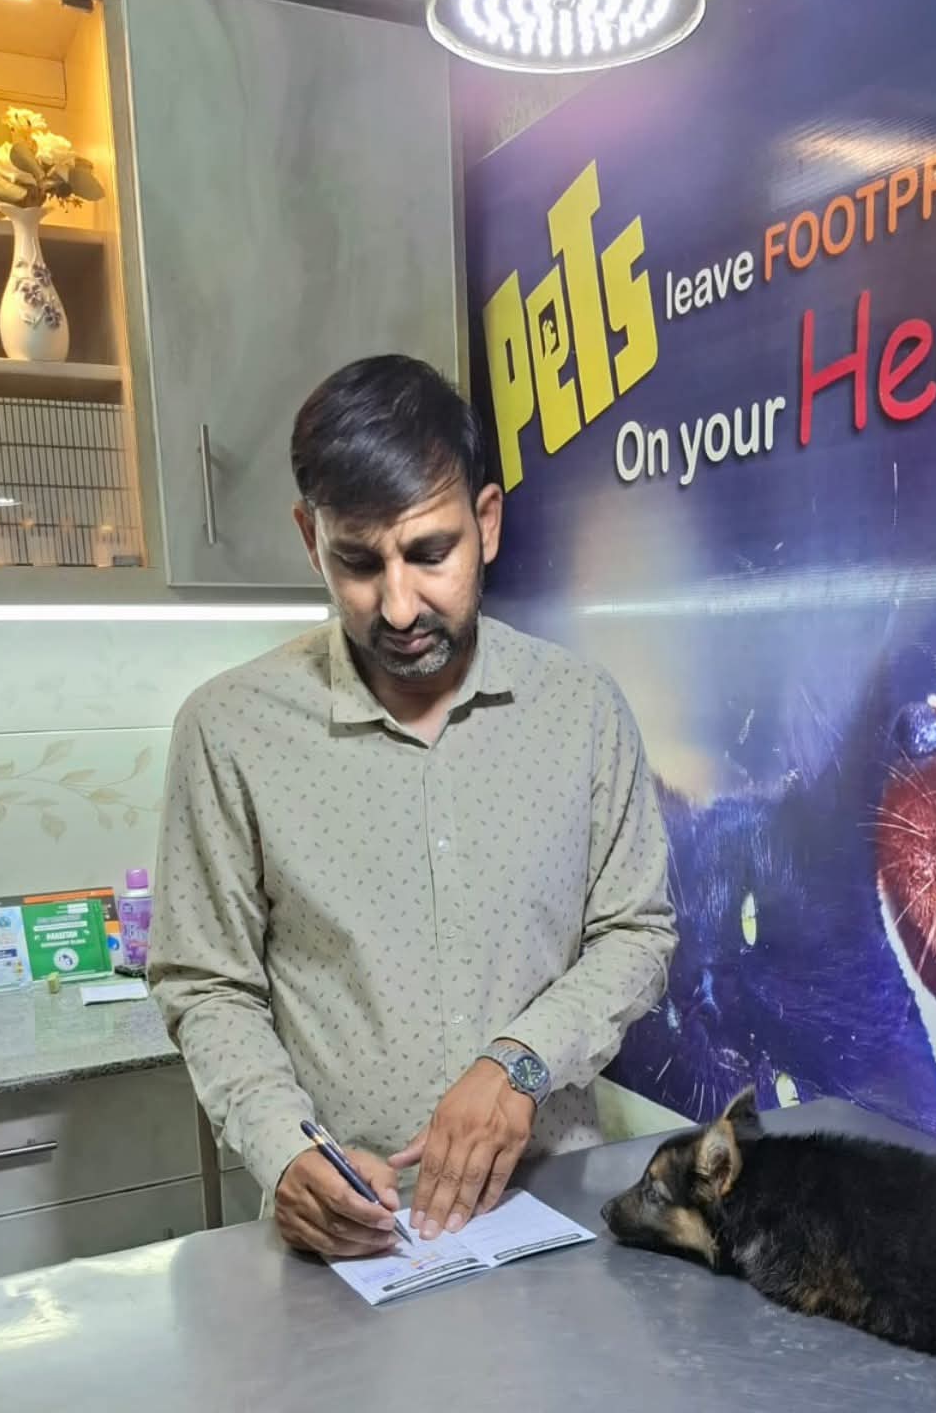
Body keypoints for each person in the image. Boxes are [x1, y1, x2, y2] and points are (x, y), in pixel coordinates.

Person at [148, 354, 677, 1259]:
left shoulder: (580, 711)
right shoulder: (229, 731)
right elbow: (208, 983)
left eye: (431, 553)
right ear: (311, 539)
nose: (399, 605)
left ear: (487, 523)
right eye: (358, 562)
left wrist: (519, 1062)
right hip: (354, 1243)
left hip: (555, 1220)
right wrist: (282, 1154)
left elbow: (638, 934)